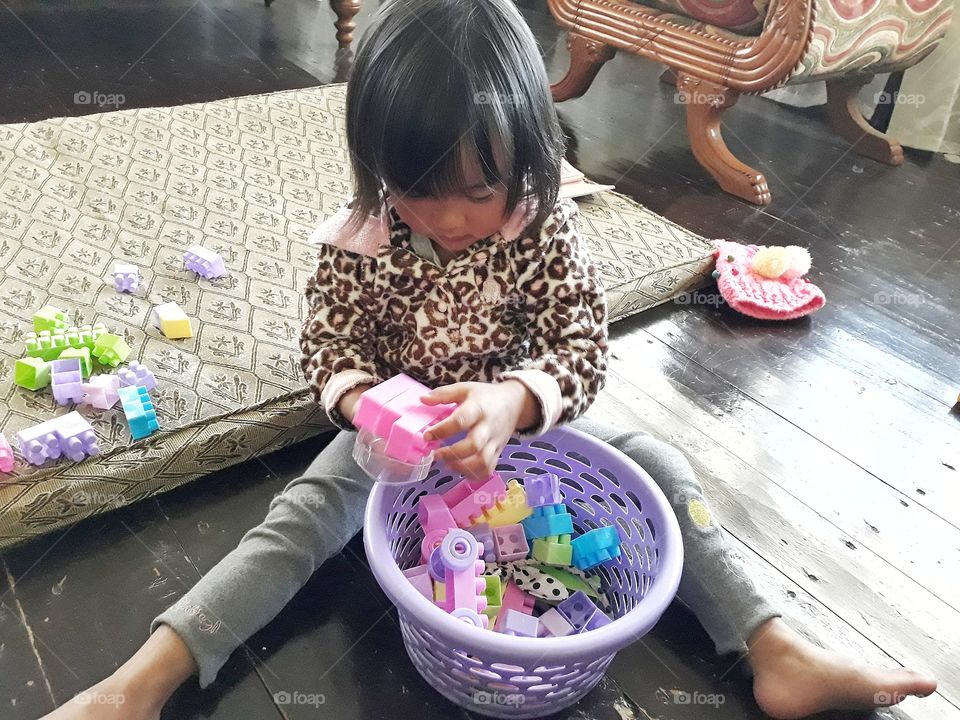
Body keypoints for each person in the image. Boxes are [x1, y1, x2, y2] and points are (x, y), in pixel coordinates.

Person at [41, 1, 937, 718]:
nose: (454, 218)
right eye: (421, 191)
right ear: (378, 167)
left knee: (661, 467)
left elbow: (582, 345)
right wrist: (369, 412)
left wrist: (515, 400)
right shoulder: (358, 242)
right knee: (305, 512)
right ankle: (148, 676)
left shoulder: (543, 233)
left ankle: (772, 645)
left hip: (526, 435)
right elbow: (329, 347)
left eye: (480, 189)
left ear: (531, 163)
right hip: (401, 445)